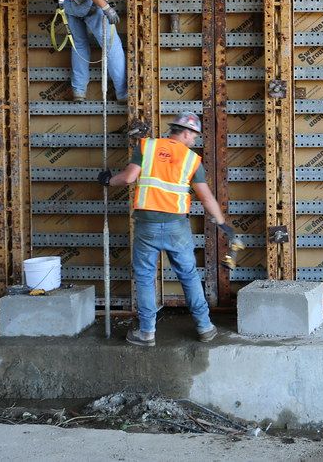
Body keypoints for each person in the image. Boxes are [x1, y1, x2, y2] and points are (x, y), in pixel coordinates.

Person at [98, 111, 235, 346]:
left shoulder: (147, 147)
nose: (194, 141)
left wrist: (108, 180)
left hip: (147, 226)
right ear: (184, 133)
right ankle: (205, 327)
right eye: (193, 136)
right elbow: (206, 198)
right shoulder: (192, 160)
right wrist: (222, 222)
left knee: (144, 277)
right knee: (189, 276)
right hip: (176, 227)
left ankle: (147, 332)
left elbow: (129, 178)